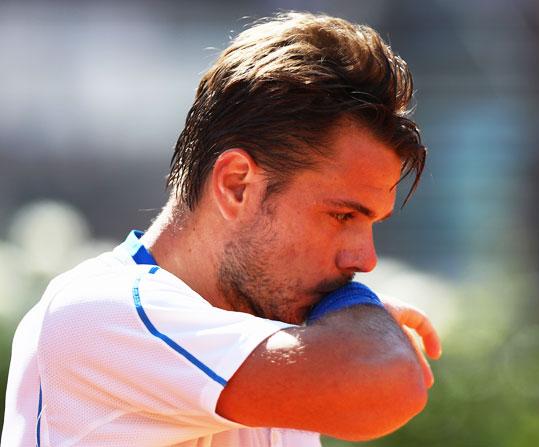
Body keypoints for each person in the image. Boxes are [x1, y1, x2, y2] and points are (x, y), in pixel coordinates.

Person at [2, 12, 442, 447]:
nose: (365, 259)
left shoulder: (282, 331)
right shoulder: (97, 313)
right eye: (343, 216)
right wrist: (356, 306)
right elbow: (382, 385)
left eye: (371, 223)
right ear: (236, 185)